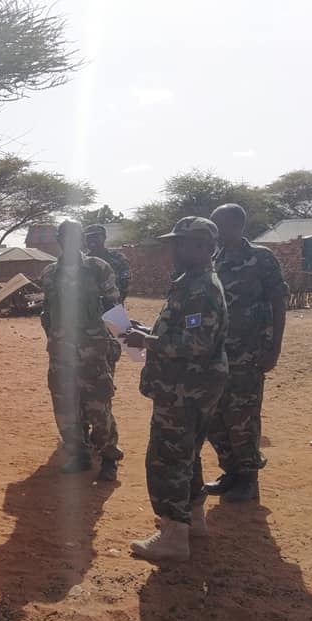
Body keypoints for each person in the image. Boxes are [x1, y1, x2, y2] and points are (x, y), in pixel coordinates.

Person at [125, 217, 228, 562]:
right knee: (187, 455)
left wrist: (147, 341)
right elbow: (185, 331)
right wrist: (148, 332)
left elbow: (196, 343)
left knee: (167, 458)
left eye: (181, 243)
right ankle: (192, 521)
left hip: (185, 389)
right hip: (192, 387)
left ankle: (173, 536)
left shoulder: (201, 289)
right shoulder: (193, 282)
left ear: (203, 247)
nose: (174, 250)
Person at [205, 204, 289, 503]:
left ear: (238, 225)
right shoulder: (213, 260)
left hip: (248, 354)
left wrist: (274, 348)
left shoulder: (261, 258)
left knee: (242, 417)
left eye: (221, 225)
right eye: (214, 226)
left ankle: (249, 478)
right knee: (215, 416)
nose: (217, 232)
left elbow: (278, 302)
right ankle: (231, 471)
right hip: (216, 355)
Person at [39, 220, 123, 481]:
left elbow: (114, 307)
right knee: (65, 409)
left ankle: (109, 458)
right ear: (59, 240)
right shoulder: (49, 273)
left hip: (93, 354)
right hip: (60, 354)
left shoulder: (98, 268)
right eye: (65, 236)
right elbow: (46, 313)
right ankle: (79, 455)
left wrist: (120, 344)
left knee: (99, 407)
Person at [84, 224, 132, 304]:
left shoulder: (118, 258)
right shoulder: (83, 261)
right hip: (90, 306)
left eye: (96, 236)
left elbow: (125, 282)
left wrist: (117, 301)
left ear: (104, 238)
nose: (92, 240)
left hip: (113, 304)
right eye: (88, 237)